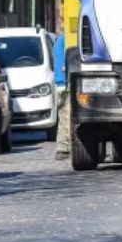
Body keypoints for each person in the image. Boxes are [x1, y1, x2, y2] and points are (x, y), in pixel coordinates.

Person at [53, 32, 70, 160]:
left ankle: (63, 147)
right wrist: (61, 81)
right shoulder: (64, 39)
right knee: (66, 115)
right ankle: (63, 147)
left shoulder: (62, 39)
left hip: (63, 82)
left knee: (64, 115)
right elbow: (59, 60)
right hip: (65, 83)